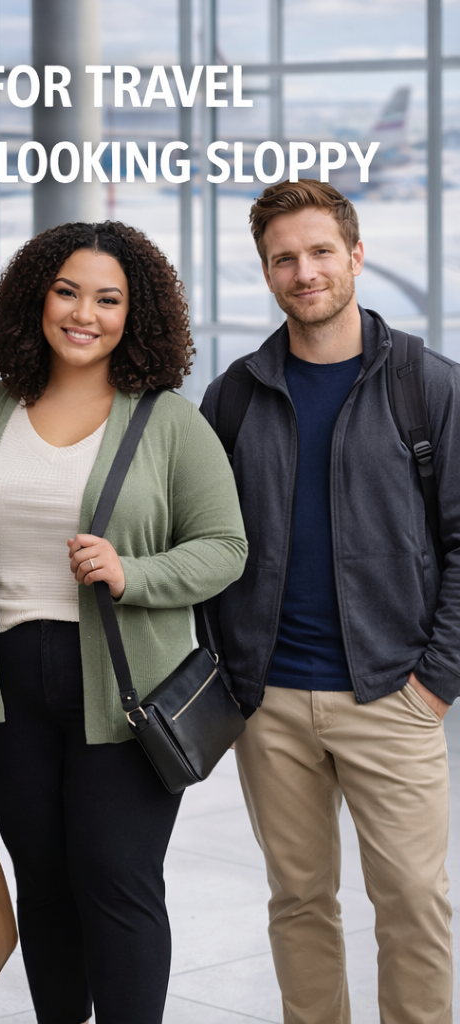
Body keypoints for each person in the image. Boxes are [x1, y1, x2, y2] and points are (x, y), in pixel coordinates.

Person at [0, 220, 247, 1024]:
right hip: (7, 691)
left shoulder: (170, 422)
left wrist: (133, 573)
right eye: (68, 291)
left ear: (135, 315)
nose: (85, 313)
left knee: (117, 883)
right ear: (35, 299)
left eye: (108, 299)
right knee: (43, 883)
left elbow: (225, 547)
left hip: (124, 690)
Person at [200, 179, 458, 1024]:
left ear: (355, 255)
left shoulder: (429, 386)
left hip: (394, 694)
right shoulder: (235, 395)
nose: (303, 272)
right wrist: (234, 680)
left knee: (416, 904)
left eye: (319, 253)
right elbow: (210, 543)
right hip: (269, 702)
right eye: (284, 259)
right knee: (300, 903)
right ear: (267, 273)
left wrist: (435, 683)